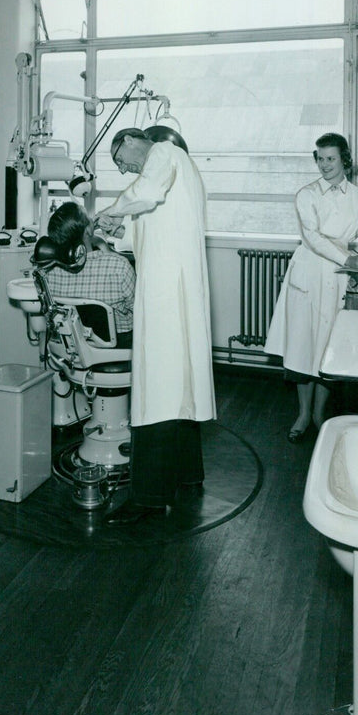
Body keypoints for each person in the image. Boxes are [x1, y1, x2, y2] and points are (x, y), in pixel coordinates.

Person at [94, 127, 216, 524]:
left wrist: (107, 212)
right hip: (177, 289)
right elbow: (151, 222)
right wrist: (119, 231)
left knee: (155, 390)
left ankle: (147, 498)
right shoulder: (180, 170)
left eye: (120, 159)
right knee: (179, 385)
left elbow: (145, 194)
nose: (124, 168)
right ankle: (188, 472)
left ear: (131, 140)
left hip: (165, 294)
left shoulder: (163, 153)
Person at [264, 132, 358, 441]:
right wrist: (351, 258)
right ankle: (303, 413)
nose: (324, 165)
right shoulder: (306, 194)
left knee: (327, 346)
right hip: (309, 271)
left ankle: (320, 413)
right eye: (320, 159)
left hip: (337, 278)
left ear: (344, 160)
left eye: (331, 159)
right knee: (302, 345)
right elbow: (314, 238)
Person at [45, 201, 136, 348]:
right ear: (88, 231)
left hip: (73, 346)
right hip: (118, 346)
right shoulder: (120, 266)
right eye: (89, 218)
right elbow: (138, 309)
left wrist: (100, 243)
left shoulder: (49, 272)